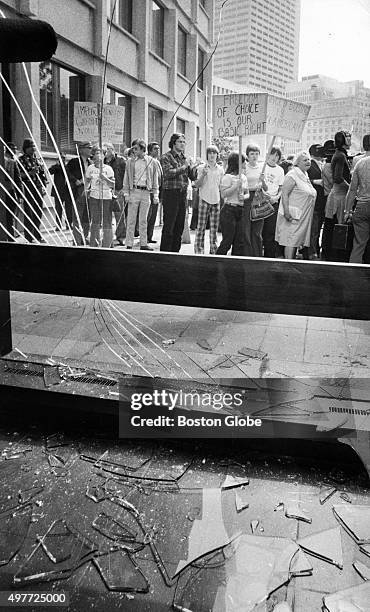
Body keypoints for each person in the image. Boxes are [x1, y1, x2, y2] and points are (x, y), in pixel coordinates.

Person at [275, 151, 317, 259]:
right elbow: (284, 194)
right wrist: (287, 212)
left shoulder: (304, 174)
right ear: (297, 163)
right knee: (291, 241)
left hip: (302, 216)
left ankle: (290, 264)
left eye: (308, 159)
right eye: (304, 160)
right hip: (292, 215)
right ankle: (288, 266)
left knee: (295, 242)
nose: (308, 162)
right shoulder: (292, 175)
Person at [123, 139, 159, 250]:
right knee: (131, 219)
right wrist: (126, 193)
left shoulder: (151, 161)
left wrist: (155, 194)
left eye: (136, 148)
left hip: (146, 192)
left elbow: (155, 179)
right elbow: (127, 177)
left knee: (143, 220)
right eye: (133, 148)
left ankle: (143, 243)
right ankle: (129, 243)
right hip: (134, 191)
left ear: (142, 149)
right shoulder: (130, 161)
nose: (134, 150)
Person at [160, 133, 192, 252]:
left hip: (182, 194)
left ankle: (175, 252)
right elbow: (167, 173)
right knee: (169, 225)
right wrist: (184, 167)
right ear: (173, 143)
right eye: (180, 141)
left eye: (184, 142)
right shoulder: (166, 157)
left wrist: (194, 167)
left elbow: (192, 176)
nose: (182, 144)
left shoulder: (185, 158)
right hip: (170, 193)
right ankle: (165, 253)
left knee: (179, 225)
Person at [216, 152, 249, 255]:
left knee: (239, 241)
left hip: (241, 210)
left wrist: (244, 196)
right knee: (228, 240)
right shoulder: (227, 177)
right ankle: (217, 262)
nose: (245, 164)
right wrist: (235, 186)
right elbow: (224, 194)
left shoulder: (243, 177)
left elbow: (247, 193)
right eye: (244, 161)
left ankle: (235, 264)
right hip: (229, 210)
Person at [194, 145, 224, 254]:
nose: (212, 155)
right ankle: (199, 250)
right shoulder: (201, 168)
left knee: (214, 228)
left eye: (214, 153)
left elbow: (221, 186)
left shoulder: (220, 169)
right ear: (207, 155)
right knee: (201, 227)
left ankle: (213, 250)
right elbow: (197, 185)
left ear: (217, 155)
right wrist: (203, 175)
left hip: (216, 200)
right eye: (210, 153)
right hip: (204, 199)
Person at [345, 134, 370, 263]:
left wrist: (347, 211)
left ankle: (352, 277)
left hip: (361, 207)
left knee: (359, 245)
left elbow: (352, 189)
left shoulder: (360, 163)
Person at [85, 145, 115, 248]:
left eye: (101, 153)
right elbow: (87, 180)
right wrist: (86, 189)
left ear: (104, 155)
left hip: (106, 197)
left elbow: (113, 184)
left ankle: (107, 244)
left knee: (107, 220)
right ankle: (94, 243)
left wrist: (105, 178)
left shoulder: (109, 169)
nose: (98, 155)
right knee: (95, 220)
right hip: (94, 197)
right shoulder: (90, 168)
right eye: (96, 153)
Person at [18, 139, 48, 243]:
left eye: (34, 147)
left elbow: (43, 174)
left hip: (38, 187)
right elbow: (18, 175)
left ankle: (37, 235)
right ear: (26, 148)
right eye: (31, 147)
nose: (33, 149)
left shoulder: (37, 159)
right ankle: (29, 237)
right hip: (28, 187)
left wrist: (44, 185)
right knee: (29, 212)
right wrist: (30, 173)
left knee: (38, 211)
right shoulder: (21, 160)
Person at [243, 144, 268, 257]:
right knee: (247, 228)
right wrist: (253, 188)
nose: (254, 156)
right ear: (247, 155)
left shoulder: (262, 167)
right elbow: (242, 187)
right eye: (252, 154)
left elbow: (266, 188)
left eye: (256, 154)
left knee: (258, 230)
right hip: (248, 198)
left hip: (259, 199)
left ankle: (257, 254)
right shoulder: (244, 167)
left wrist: (262, 182)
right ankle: (248, 254)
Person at [65, 141, 92, 245]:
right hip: (78, 191)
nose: (90, 150)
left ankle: (84, 237)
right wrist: (75, 180)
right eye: (88, 148)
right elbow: (66, 172)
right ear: (81, 150)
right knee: (77, 216)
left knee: (87, 216)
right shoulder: (74, 162)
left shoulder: (91, 163)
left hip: (89, 192)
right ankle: (76, 239)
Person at [262, 146, 284, 258]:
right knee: (259, 231)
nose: (274, 158)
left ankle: (269, 257)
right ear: (268, 154)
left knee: (270, 232)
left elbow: (281, 188)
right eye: (272, 154)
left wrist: (276, 198)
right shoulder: (262, 166)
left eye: (277, 156)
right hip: (261, 203)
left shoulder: (280, 170)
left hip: (273, 203)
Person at [103, 143, 126, 245]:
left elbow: (126, 175)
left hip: (118, 190)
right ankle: (108, 237)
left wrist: (124, 189)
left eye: (107, 149)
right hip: (105, 190)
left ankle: (121, 236)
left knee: (119, 214)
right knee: (106, 215)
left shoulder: (121, 160)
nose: (105, 152)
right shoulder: (102, 161)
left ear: (112, 150)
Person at [306, 143, 325, 259]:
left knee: (317, 228)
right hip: (314, 201)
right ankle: (311, 252)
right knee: (313, 229)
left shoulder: (322, 164)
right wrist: (315, 181)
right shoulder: (310, 165)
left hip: (321, 201)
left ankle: (315, 250)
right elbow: (305, 180)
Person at [2, 142, 23, 240]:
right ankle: (10, 237)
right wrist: (20, 195)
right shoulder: (12, 162)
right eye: (13, 149)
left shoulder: (12, 162)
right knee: (10, 216)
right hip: (9, 192)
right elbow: (18, 180)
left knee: (10, 216)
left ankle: (10, 235)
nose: (15, 151)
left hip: (9, 191)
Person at [147, 142, 163, 244]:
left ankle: (149, 236)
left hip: (157, 191)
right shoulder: (148, 161)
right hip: (150, 191)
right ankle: (145, 236)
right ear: (150, 150)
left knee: (153, 216)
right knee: (148, 215)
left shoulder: (157, 161)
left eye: (158, 149)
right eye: (155, 149)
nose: (157, 151)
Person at [49, 153, 68, 231]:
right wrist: (57, 165)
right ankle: (58, 225)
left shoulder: (68, 167)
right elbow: (50, 171)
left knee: (68, 209)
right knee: (58, 209)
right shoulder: (56, 167)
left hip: (67, 191)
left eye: (63, 158)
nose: (62, 159)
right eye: (61, 158)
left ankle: (68, 224)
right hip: (58, 191)